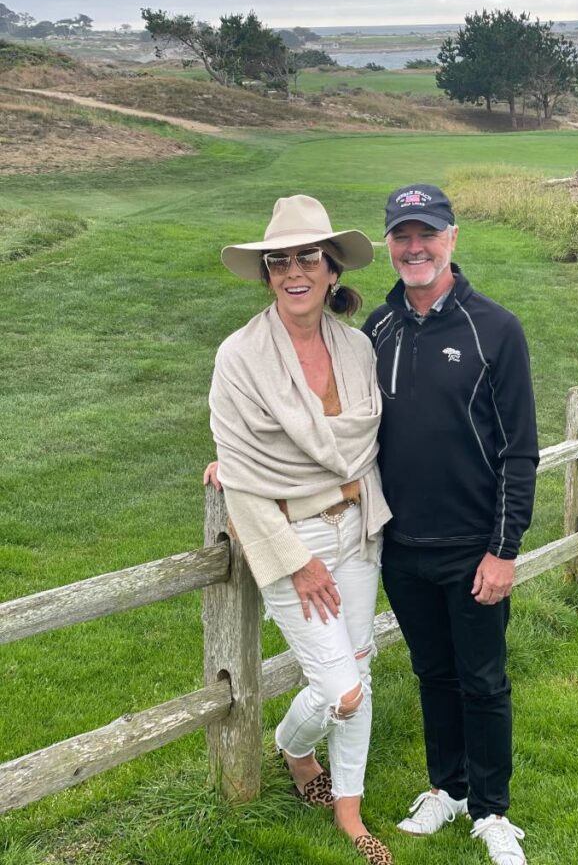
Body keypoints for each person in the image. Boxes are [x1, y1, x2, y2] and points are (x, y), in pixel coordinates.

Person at [205, 194, 393, 865]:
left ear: (332, 269)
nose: (293, 271)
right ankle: (292, 745)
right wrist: (293, 560)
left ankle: (349, 810)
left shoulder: (358, 348)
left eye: (307, 257)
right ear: (266, 274)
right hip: (296, 542)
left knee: (361, 677)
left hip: (359, 529)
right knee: (337, 690)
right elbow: (246, 479)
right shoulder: (240, 358)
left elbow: (368, 444)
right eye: (278, 260)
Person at [361, 184, 539, 865]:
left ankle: (493, 809)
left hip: (473, 548)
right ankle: (450, 787)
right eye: (402, 236)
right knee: (433, 674)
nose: (414, 248)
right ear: (389, 245)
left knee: (483, 680)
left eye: (426, 234)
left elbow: (519, 450)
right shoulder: (377, 330)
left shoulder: (494, 328)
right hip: (401, 547)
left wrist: (503, 549)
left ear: (452, 238)